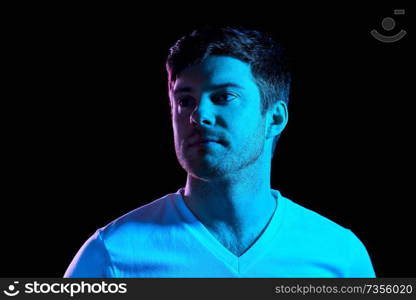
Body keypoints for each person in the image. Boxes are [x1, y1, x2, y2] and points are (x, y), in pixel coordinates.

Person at [64, 26, 376, 278]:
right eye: (185, 100)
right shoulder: (112, 255)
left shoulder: (339, 255)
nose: (199, 116)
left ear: (275, 118)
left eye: (224, 96)